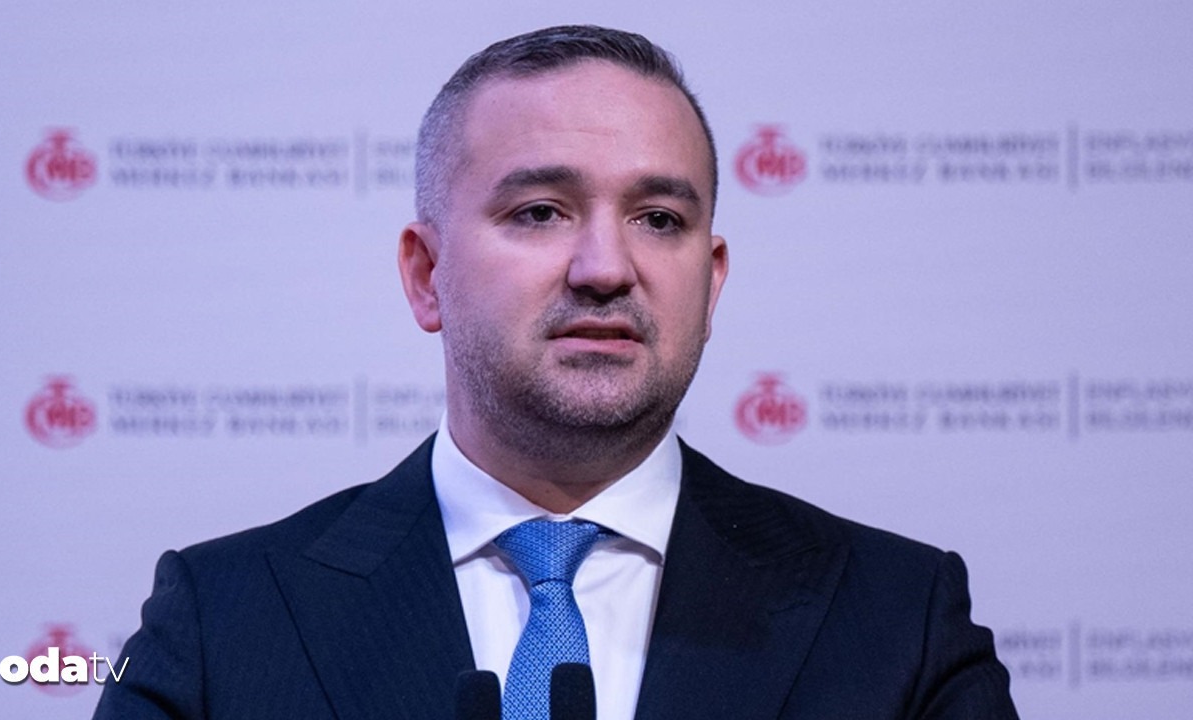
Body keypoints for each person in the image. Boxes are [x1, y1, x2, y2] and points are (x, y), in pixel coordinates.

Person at [94, 25, 1019, 720]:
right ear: (426, 274)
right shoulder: (224, 619)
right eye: (540, 211)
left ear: (711, 281)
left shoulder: (898, 620)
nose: (605, 268)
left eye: (659, 219)